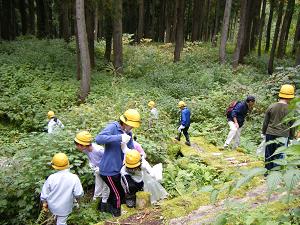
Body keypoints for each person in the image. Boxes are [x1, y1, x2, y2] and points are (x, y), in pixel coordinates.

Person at [95, 109, 141, 217]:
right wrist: (119, 137)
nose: (132, 127)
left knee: (119, 190)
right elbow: (99, 139)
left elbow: (131, 149)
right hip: (108, 170)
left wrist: (138, 156)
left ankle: (108, 208)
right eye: (131, 125)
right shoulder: (113, 127)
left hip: (118, 168)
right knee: (117, 194)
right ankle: (117, 214)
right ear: (124, 122)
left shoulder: (128, 132)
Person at [40, 153, 84, 225]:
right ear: (68, 164)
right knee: (61, 222)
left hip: (52, 206)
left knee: (52, 219)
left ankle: (53, 219)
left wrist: (44, 203)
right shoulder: (74, 178)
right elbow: (79, 194)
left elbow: (44, 195)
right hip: (65, 207)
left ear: (54, 166)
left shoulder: (51, 178)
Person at [262, 84, 295, 172]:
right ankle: (276, 173)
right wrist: (292, 137)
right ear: (290, 97)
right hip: (283, 135)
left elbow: (265, 122)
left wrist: (263, 132)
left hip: (270, 133)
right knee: (280, 154)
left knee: (268, 154)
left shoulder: (271, 106)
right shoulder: (290, 109)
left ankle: (267, 173)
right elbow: (292, 125)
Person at [74, 131, 110, 211]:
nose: (76, 147)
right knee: (98, 187)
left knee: (106, 187)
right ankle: (95, 205)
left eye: (77, 145)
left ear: (83, 145)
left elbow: (109, 159)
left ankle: (104, 206)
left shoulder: (99, 150)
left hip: (106, 170)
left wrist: (101, 167)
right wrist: (93, 165)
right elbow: (91, 159)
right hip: (97, 170)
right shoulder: (85, 150)